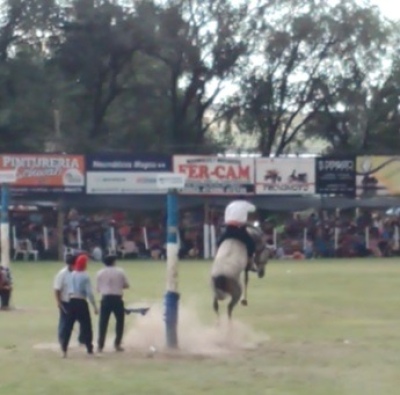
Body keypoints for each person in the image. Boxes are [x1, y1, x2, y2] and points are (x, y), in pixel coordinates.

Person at [61, 254, 98, 358]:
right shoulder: (85, 276)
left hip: (71, 301)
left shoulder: (72, 274)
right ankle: (89, 348)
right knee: (86, 326)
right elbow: (89, 293)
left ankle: (64, 349)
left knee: (68, 326)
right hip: (81, 301)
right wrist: (94, 306)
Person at [96, 254, 130, 352]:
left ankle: (100, 345)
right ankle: (117, 343)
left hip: (105, 299)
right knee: (120, 322)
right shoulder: (120, 272)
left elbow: (98, 288)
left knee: (103, 323)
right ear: (114, 262)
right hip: (117, 299)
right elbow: (126, 285)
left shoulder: (99, 273)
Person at [53, 254, 84, 345]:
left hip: (77, 300)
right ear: (71, 264)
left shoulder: (78, 273)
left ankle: (82, 339)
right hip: (66, 301)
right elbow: (57, 289)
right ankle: (62, 340)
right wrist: (58, 302)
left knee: (83, 320)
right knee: (65, 322)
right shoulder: (62, 274)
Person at [217, 200, 257, 267]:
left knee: (218, 242)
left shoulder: (230, 205)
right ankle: (250, 261)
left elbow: (226, 219)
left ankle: (217, 258)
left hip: (229, 229)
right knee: (251, 244)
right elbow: (253, 209)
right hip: (240, 230)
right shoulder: (246, 204)